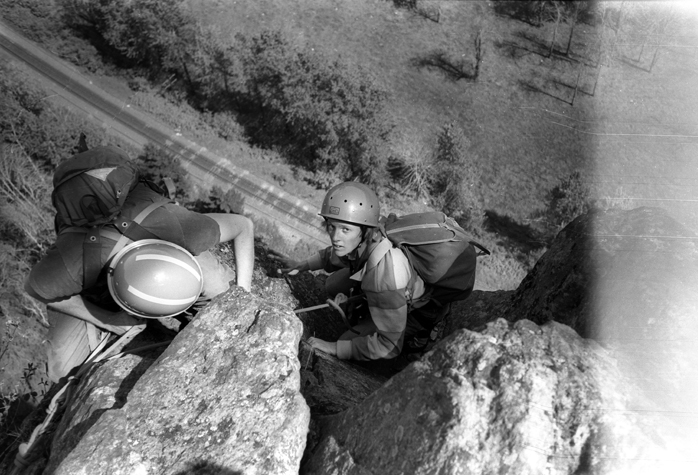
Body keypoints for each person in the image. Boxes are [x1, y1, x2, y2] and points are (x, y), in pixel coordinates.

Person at [25, 146, 254, 382]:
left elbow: (243, 226)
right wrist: (106, 318)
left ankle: (196, 303)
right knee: (64, 373)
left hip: (158, 241)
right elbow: (38, 289)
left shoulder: (177, 227)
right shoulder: (78, 257)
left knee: (220, 291)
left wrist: (242, 295)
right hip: (96, 280)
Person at [279, 181, 450, 361]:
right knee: (333, 284)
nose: (336, 237)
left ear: (364, 231)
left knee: (346, 340)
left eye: (345, 229)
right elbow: (337, 254)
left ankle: (420, 331)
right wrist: (302, 265)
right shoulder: (365, 238)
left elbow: (389, 346)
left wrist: (335, 347)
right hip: (387, 288)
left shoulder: (385, 274)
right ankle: (370, 306)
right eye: (332, 227)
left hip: (414, 306)